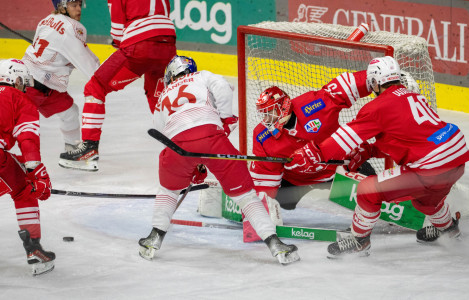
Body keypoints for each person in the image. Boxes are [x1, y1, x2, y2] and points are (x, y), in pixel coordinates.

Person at [283, 56, 469, 258]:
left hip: (431, 166)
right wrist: (371, 151)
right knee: (426, 201)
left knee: (367, 190)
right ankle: (449, 230)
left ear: (374, 82)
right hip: (457, 158)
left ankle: (359, 241)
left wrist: (315, 153)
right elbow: (406, 140)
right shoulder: (415, 97)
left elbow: (344, 139)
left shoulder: (378, 107)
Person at [138, 55, 300, 265]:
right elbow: (223, 86)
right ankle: (275, 244)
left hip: (177, 147)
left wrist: (191, 165)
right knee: (247, 197)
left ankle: (154, 237)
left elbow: (162, 131)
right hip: (212, 138)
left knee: (168, 191)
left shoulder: (162, 96)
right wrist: (225, 118)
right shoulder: (202, 76)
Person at [245, 71, 375, 242]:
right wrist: (257, 210)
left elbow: (344, 86)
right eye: (264, 114)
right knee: (283, 202)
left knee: (376, 190)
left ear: (284, 107)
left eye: (271, 112)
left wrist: (376, 79)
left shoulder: (314, 104)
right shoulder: (262, 136)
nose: (267, 119)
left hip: (338, 168)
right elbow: (265, 180)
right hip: (298, 180)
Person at [59, 0, 177, 171]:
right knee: (158, 98)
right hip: (167, 44)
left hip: (139, 46)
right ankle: (183, 146)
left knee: (95, 87)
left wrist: (119, 42)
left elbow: (117, 31)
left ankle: (89, 149)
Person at [0, 59, 55, 275]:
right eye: (24, 83)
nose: (25, 88)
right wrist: (35, 175)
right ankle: (34, 251)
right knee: (24, 190)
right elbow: (27, 139)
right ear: (17, 80)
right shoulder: (19, 99)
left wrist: (29, 168)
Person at [22, 0, 100, 160]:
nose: (79, 9)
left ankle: (73, 150)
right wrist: (103, 77)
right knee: (11, 124)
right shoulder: (73, 27)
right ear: (61, 7)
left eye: (80, 4)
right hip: (30, 87)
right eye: (73, 5)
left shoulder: (45, 20)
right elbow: (86, 62)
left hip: (36, 82)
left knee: (70, 112)